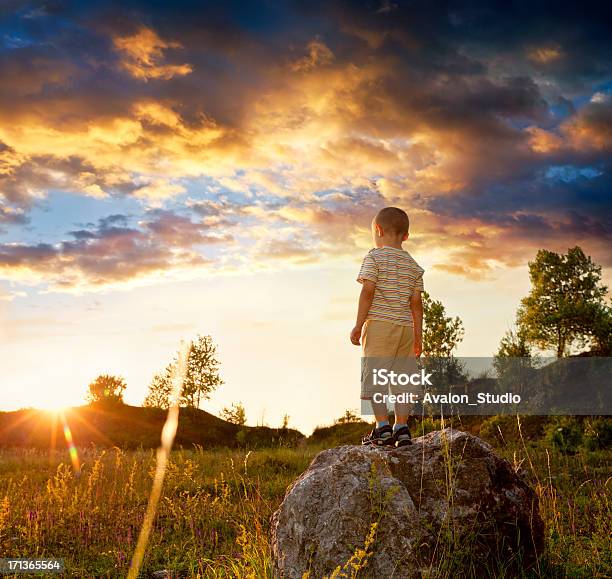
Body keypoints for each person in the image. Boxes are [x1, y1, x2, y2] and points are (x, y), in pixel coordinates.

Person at [350, 207, 424, 447]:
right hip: (405, 329)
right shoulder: (414, 266)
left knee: (375, 378)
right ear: (406, 236)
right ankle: (401, 428)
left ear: (378, 230)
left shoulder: (374, 257)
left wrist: (358, 325)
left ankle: (382, 427)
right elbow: (417, 306)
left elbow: (367, 292)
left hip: (380, 326)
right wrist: (418, 338)